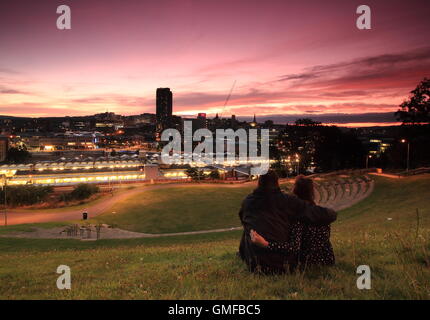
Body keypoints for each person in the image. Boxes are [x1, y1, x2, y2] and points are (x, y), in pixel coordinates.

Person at [238, 170, 336, 274]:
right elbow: (323, 214)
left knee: (248, 228)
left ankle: (244, 254)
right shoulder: (288, 201)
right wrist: (332, 214)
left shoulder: (247, 202)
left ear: (258, 183)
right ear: (277, 183)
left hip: (253, 264)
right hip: (283, 264)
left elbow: (243, 220)